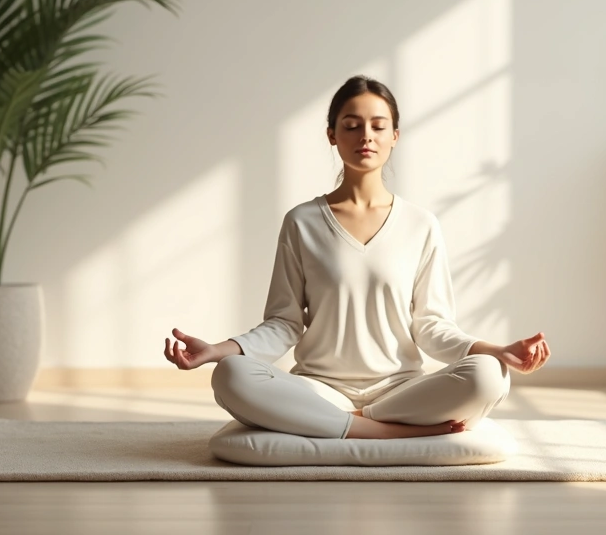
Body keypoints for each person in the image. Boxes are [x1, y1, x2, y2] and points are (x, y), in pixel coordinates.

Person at [165, 75, 551, 440]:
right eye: (351, 125)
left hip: (401, 391)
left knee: (490, 375)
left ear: (394, 136)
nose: (365, 135)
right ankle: (385, 432)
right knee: (230, 374)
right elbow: (283, 323)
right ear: (332, 135)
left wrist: (497, 351)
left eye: (378, 126)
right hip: (318, 389)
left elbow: (432, 327)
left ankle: (347, 425)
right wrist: (218, 350)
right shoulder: (302, 222)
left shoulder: (421, 225)